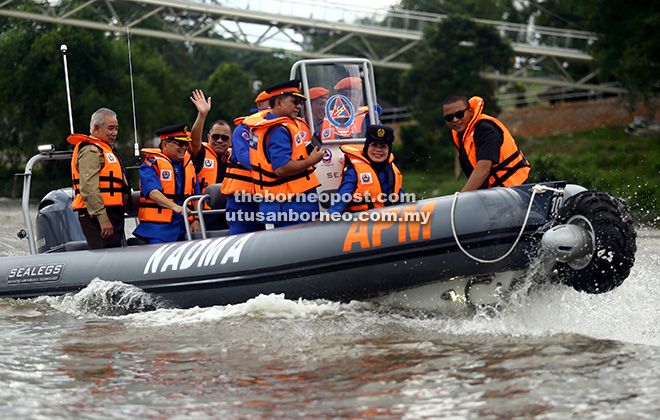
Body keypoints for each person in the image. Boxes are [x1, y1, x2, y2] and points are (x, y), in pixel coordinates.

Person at [249, 79, 324, 228]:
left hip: (287, 203)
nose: (298, 106)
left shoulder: (273, 126)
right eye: (294, 101)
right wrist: (311, 160)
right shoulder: (279, 129)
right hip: (292, 205)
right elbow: (281, 168)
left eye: (300, 102)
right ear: (278, 103)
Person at [68, 108, 131, 249]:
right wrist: (103, 220)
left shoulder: (106, 149)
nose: (114, 133)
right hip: (98, 216)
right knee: (106, 256)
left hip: (113, 213)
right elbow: (88, 188)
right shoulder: (91, 151)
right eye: (110, 128)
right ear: (96, 128)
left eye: (116, 128)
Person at [442, 95, 530, 192]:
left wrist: (460, 198)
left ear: (470, 111)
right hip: (491, 192)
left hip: (512, 191)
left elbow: (483, 170)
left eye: (459, 114)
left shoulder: (485, 130)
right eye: (449, 117)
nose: (455, 120)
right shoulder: (461, 135)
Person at [133, 124, 201, 244]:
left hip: (185, 226)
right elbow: (153, 193)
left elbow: (196, 195)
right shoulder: (150, 165)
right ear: (165, 144)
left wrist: (196, 220)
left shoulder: (189, 166)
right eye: (180, 144)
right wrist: (174, 207)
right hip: (158, 229)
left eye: (186, 144)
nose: (184, 148)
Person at [221, 91, 272, 235]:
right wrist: (275, 168)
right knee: (239, 236)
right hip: (240, 198)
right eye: (272, 102)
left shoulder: (275, 130)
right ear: (259, 105)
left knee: (262, 238)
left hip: (264, 196)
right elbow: (245, 158)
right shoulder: (243, 130)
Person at [328, 124, 403, 214]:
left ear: (389, 149)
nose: (378, 150)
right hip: (361, 221)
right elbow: (342, 197)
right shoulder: (354, 172)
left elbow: (401, 199)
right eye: (374, 145)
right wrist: (331, 214)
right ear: (367, 146)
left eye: (383, 146)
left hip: (387, 219)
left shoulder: (393, 172)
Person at [189, 89, 230, 230]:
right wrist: (202, 115)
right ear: (208, 138)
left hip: (230, 213)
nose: (219, 140)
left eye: (225, 138)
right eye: (215, 136)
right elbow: (194, 141)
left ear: (231, 142)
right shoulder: (201, 154)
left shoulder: (235, 158)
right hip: (206, 214)